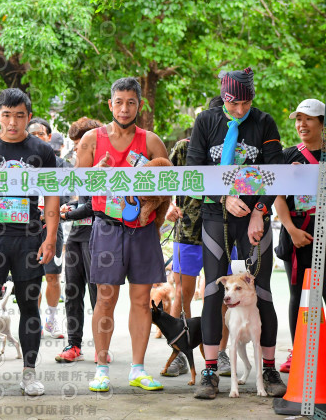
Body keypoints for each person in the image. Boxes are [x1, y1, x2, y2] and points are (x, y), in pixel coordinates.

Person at [187, 67, 286, 399]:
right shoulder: (206, 121)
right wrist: (222, 197)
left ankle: (268, 369)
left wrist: (260, 210)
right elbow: (194, 169)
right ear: (223, 95)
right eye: (234, 103)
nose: (241, 110)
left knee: (263, 292)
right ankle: (211, 371)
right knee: (216, 294)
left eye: (246, 103)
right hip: (216, 215)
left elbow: (276, 171)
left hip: (254, 218)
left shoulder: (264, 122)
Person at [0, 88, 59, 397]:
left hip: (30, 239)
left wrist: (51, 237)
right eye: (7, 115)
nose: (13, 122)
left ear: (29, 117)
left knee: (30, 306)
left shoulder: (43, 151)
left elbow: (53, 195)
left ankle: (29, 374)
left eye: (19, 116)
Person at [76, 77, 169, 393]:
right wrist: (94, 175)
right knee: (105, 298)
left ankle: (138, 369)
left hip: (142, 231)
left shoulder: (151, 142)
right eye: (119, 102)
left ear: (139, 105)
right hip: (106, 229)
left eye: (131, 102)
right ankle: (101, 368)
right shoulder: (91, 140)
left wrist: (152, 211)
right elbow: (78, 185)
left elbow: (167, 185)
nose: (125, 108)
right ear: (110, 104)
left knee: (142, 301)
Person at [163, 95, 234, 378]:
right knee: (182, 292)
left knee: (220, 294)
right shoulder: (184, 148)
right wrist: (168, 205)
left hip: (226, 232)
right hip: (187, 231)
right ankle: (181, 352)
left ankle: (221, 352)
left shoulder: (236, 151)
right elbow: (164, 182)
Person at [273, 98, 326, 373]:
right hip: (297, 234)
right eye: (298, 119)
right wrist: (291, 230)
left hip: (324, 233)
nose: (301, 124)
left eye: (309, 119)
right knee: (299, 295)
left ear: (321, 124)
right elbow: (278, 198)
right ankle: (298, 351)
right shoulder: (287, 155)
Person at [55, 117, 102, 363]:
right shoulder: (81, 167)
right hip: (76, 236)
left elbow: (97, 205)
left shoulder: (107, 165)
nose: (77, 149)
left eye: (81, 143)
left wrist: (69, 212)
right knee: (72, 292)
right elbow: (83, 201)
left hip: (99, 236)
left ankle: (101, 347)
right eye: (75, 145)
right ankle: (73, 344)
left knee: (98, 295)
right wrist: (69, 207)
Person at [26, 117, 67, 339]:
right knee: (32, 277)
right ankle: (35, 321)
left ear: (49, 137)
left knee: (52, 275)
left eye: (40, 134)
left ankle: (52, 320)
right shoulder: (20, 162)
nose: (36, 137)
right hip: (27, 226)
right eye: (32, 133)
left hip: (52, 225)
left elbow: (70, 195)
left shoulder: (59, 164)